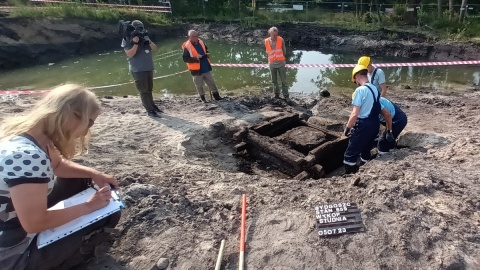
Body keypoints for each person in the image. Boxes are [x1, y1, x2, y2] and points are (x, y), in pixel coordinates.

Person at [0, 84, 121, 270]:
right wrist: (89, 206)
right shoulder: (28, 157)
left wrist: (93, 173)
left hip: (12, 221)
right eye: (89, 123)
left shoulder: (29, 135)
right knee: (108, 214)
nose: (87, 131)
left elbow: (57, 165)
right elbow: (34, 223)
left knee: (80, 179)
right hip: (12, 254)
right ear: (73, 115)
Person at [343, 65, 381, 174]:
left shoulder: (360, 90)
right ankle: (363, 169)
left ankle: (349, 175)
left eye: (356, 80)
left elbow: (355, 114)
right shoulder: (374, 88)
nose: (357, 83)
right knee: (366, 148)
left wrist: (348, 128)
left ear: (357, 76)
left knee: (350, 153)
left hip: (364, 125)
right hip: (375, 123)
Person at [121, 20, 162, 118]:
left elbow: (155, 48)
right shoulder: (127, 39)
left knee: (149, 89)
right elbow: (130, 54)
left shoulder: (144, 36)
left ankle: (152, 105)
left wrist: (148, 41)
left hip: (148, 67)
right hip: (138, 69)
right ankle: (149, 110)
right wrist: (135, 43)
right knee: (143, 91)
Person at [182, 30, 222, 103]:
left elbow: (206, 50)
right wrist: (196, 58)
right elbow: (185, 59)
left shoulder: (201, 42)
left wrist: (207, 53)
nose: (195, 38)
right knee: (199, 86)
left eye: (196, 36)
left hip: (206, 67)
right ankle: (203, 99)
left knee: (212, 83)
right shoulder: (187, 46)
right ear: (189, 37)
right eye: (193, 36)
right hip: (196, 70)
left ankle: (217, 97)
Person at [264, 27, 290, 102]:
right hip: (272, 63)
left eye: (276, 34)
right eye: (273, 35)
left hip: (281, 63)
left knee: (283, 80)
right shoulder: (266, 41)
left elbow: (284, 50)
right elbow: (267, 51)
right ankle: (276, 94)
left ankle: (286, 96)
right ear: (270, 34)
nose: (275, 36)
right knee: (274, 80)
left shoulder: (281, 39)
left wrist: (281, 58)